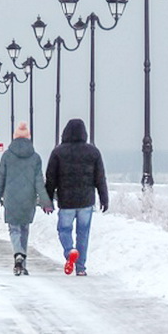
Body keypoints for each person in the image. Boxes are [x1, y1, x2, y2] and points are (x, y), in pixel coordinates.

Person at [45, 118, 109, 276]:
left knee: (64, 230)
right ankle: (81, 268)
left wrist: (47, 200)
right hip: (86, 200)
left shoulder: (58, 152)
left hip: (66, 200)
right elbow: (100, 178)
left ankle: (70, 251)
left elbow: (51, 178)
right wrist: (104, 198)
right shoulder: (93, 152)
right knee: (83, 234)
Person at [0, 121, 53, 276]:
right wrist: (46, 202)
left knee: (14, 229)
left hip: (11, 198)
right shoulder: (35, 158)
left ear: (14, 137)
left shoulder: (7, 156)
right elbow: (39, 182)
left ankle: (18, 254)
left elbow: (0, 180)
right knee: (24, 229)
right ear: (28, 138)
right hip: (28, 199)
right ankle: (22, 264)